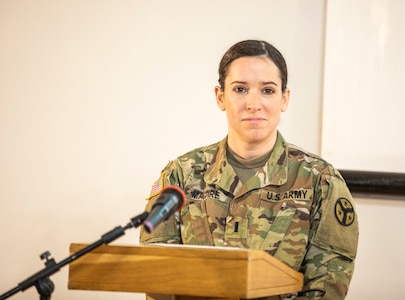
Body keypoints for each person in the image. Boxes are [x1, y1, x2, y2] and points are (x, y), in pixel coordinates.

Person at [140, 39, 359, 299]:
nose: (254, 103)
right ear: (221, 97)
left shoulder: (320, 181)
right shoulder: (181, 175)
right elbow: (157, 275)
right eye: (240, 89)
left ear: (284, 99)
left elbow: (326, 285)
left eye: (267, 90)